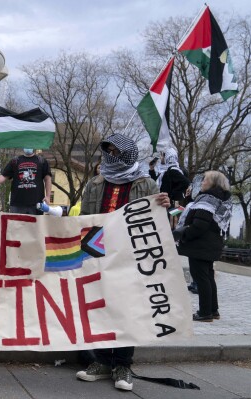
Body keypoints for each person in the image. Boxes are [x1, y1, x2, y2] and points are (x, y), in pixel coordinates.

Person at [76, 133, 170, 391]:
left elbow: (159, 220)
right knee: (103, 307)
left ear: (128, 153)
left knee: (127, 309)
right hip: (101, 253)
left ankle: (123, 365)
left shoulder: (146, 184)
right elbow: (84, 218)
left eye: (116, 152)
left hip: (132, 255)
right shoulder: (95, 183)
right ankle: (103, 362)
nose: (111, 156)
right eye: (108, 152)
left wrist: (165, 206)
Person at [174, 171, 231, 322]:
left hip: (200, 246)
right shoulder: (217, 199)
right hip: (209, 245)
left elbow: (199, 224)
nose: (202, 182)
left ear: (213, 183)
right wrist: (188, 198)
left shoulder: (208, 200)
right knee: (208, 277)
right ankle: (213, 310)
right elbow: (195, 213)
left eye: (205, 180)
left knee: (201, 278)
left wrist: (183, 236)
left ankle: (205, 312)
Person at [0, 148, 52, 214]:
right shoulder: (15, 161)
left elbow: (48, 179)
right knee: (16, 224)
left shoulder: (41, 161)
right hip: (17, 205)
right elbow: (4, 175)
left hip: (36, 204)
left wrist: (48, 196)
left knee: (36, 224)